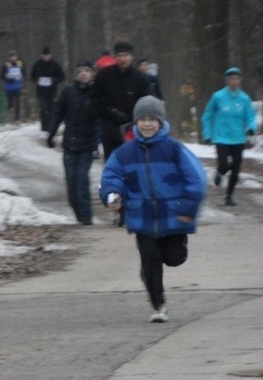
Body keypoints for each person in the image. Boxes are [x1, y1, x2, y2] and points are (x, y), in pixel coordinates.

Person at [99, 96, 206, 323]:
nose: (147, 124)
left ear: (160, 122)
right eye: (142, 120)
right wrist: (112, 194)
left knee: (174, 258)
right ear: (136, 123)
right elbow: (111, 176)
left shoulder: (174, 149)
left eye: (152, 119)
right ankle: (159, 305)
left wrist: (187, 207)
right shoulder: (125, 152)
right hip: (141, 216)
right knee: (150, 259)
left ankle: (172, 253)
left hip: (173, 213)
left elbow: (196, 179)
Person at [91, 40, 151, 226]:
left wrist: (138, 119)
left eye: (126, 55)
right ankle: (117, 209)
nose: (123, 59)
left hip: (134, 131)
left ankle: (134, 207)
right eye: (120, 55)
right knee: (113, 172)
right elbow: (95, 101)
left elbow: (148, 103)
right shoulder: (104, 76)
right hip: (111, 130)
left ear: (131, 57)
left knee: (134, 171)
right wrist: (111, 112)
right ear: (115, 57)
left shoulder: (140, 78)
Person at [47, 61, 98, 225]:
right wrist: (51, 133)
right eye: (80, 71)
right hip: (70, 143)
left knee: (81, 179)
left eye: (87, 71)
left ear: (92, 74)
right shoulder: (68, 91)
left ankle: (86, 216)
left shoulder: (96, 93)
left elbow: (102, 117)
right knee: (71, 181)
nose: (83, 73)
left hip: (87, 144)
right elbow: (58, 112)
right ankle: (78, 213)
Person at [202, 66, 257, 207]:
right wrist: (207, 134)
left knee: (236, 169)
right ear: (226, 81)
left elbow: (250, 116)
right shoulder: (218, 97)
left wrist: (251, 128)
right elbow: (207, 116)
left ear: (240, 81)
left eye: (237, 78)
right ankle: (220, 173)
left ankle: (229, 196)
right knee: (224, 164)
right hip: (221, 137)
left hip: (238, 138)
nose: (234, 81)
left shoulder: (244, 98)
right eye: (231, 78)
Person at [30, 47, 65, 139]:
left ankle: (49, 129)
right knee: (43, 108)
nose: (46, 57)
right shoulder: (37, 64)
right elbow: (32, 75)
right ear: (42, 55)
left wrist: (54, 80)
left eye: (47, 55)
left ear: (50, 55)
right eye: (44, 55)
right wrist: (36, 80)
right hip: (40, 90)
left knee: (51, 109)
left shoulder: (55, 65)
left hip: (51, 91)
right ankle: (43, 129)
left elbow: (61, 76)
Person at [0, 50, 26, 124]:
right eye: (12, 57)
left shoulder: (20, 64)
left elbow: (24, 73)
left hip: (17, 87)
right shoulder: (6, 65)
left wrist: (24, 77)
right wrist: (9, 79)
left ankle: (17, 119)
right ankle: (8, 115)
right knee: (10, 103)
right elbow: (1, 76)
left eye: (14, 57)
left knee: (17, 102)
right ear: (9, 58)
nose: (13, 58)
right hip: (8, 88)